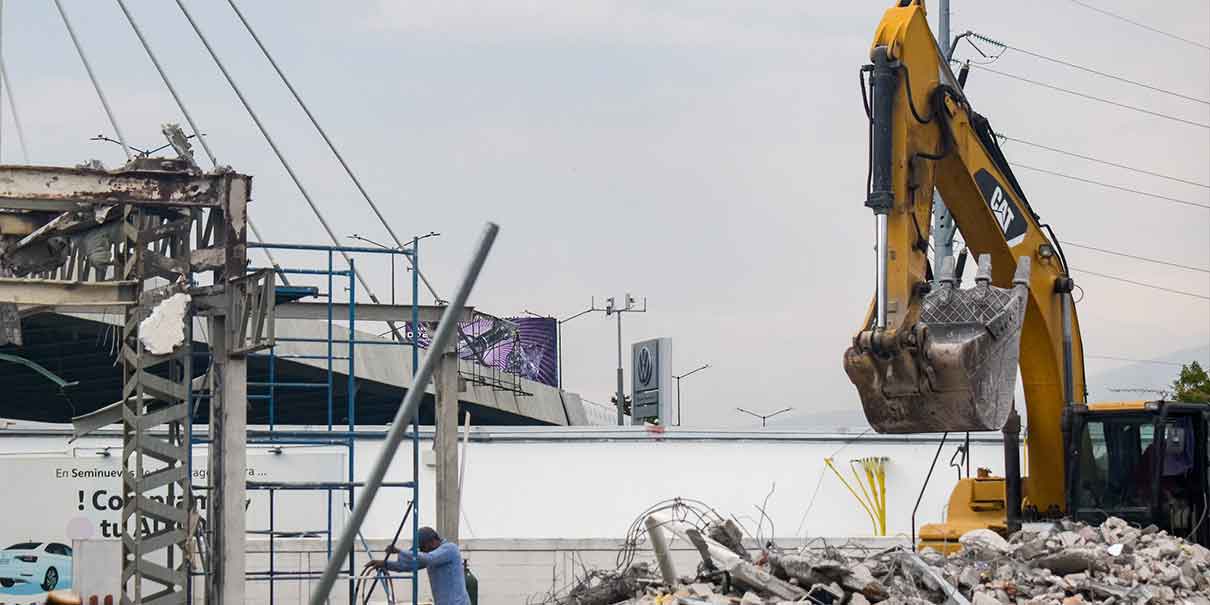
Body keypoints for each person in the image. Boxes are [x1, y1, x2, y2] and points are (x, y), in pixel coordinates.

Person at [371, 526, 471, 605]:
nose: (422, 551)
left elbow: (429, 558)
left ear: (432, 542)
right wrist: (385, 564)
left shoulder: (450, 549)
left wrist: (399, 551)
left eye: (422, 547)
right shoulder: (430, 556)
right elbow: (406, 567)